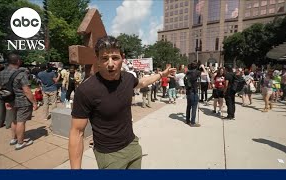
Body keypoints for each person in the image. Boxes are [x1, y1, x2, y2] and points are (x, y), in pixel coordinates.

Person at [68, 36, 176, 169]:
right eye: (104, 58)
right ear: (98, 60)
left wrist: (161, 75)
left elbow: (142, 82)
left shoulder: (128, 78)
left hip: (132, 146)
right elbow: (77, 132)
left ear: (122, 58)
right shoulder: (86, 90)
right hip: (109, 156)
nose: (111, 63)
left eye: (115, 57)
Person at [0, 53, 37, 150]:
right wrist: (34, 102)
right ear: (18, 61)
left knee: (13, 120)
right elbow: (27, 90)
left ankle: (13, 139)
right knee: (21, 122)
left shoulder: (0, 74)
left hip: (9, 100)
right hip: (22, 101)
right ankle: (20, 142)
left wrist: (6, 100)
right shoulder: (21, 74)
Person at [185, 61, 206, 127]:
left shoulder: (187, 73)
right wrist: (203, 67)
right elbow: (206, 74)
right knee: (194, 107)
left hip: (188, 92)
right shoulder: (196, 72)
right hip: (194, 92)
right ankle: (193, 122)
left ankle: (187, 120)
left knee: (188, 107)